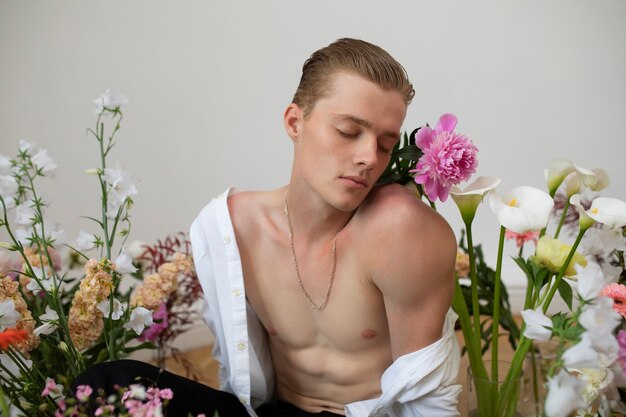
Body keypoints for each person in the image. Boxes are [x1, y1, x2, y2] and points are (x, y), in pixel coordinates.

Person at [75, 38, 461, 417]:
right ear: (295, 122)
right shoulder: (232, 226)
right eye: (348, 131)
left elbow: (427, 397)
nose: (367, 157)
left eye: (385, 144)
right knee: (108, 382)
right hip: (271, 412)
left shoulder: (399, 228)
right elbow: (238, 366)